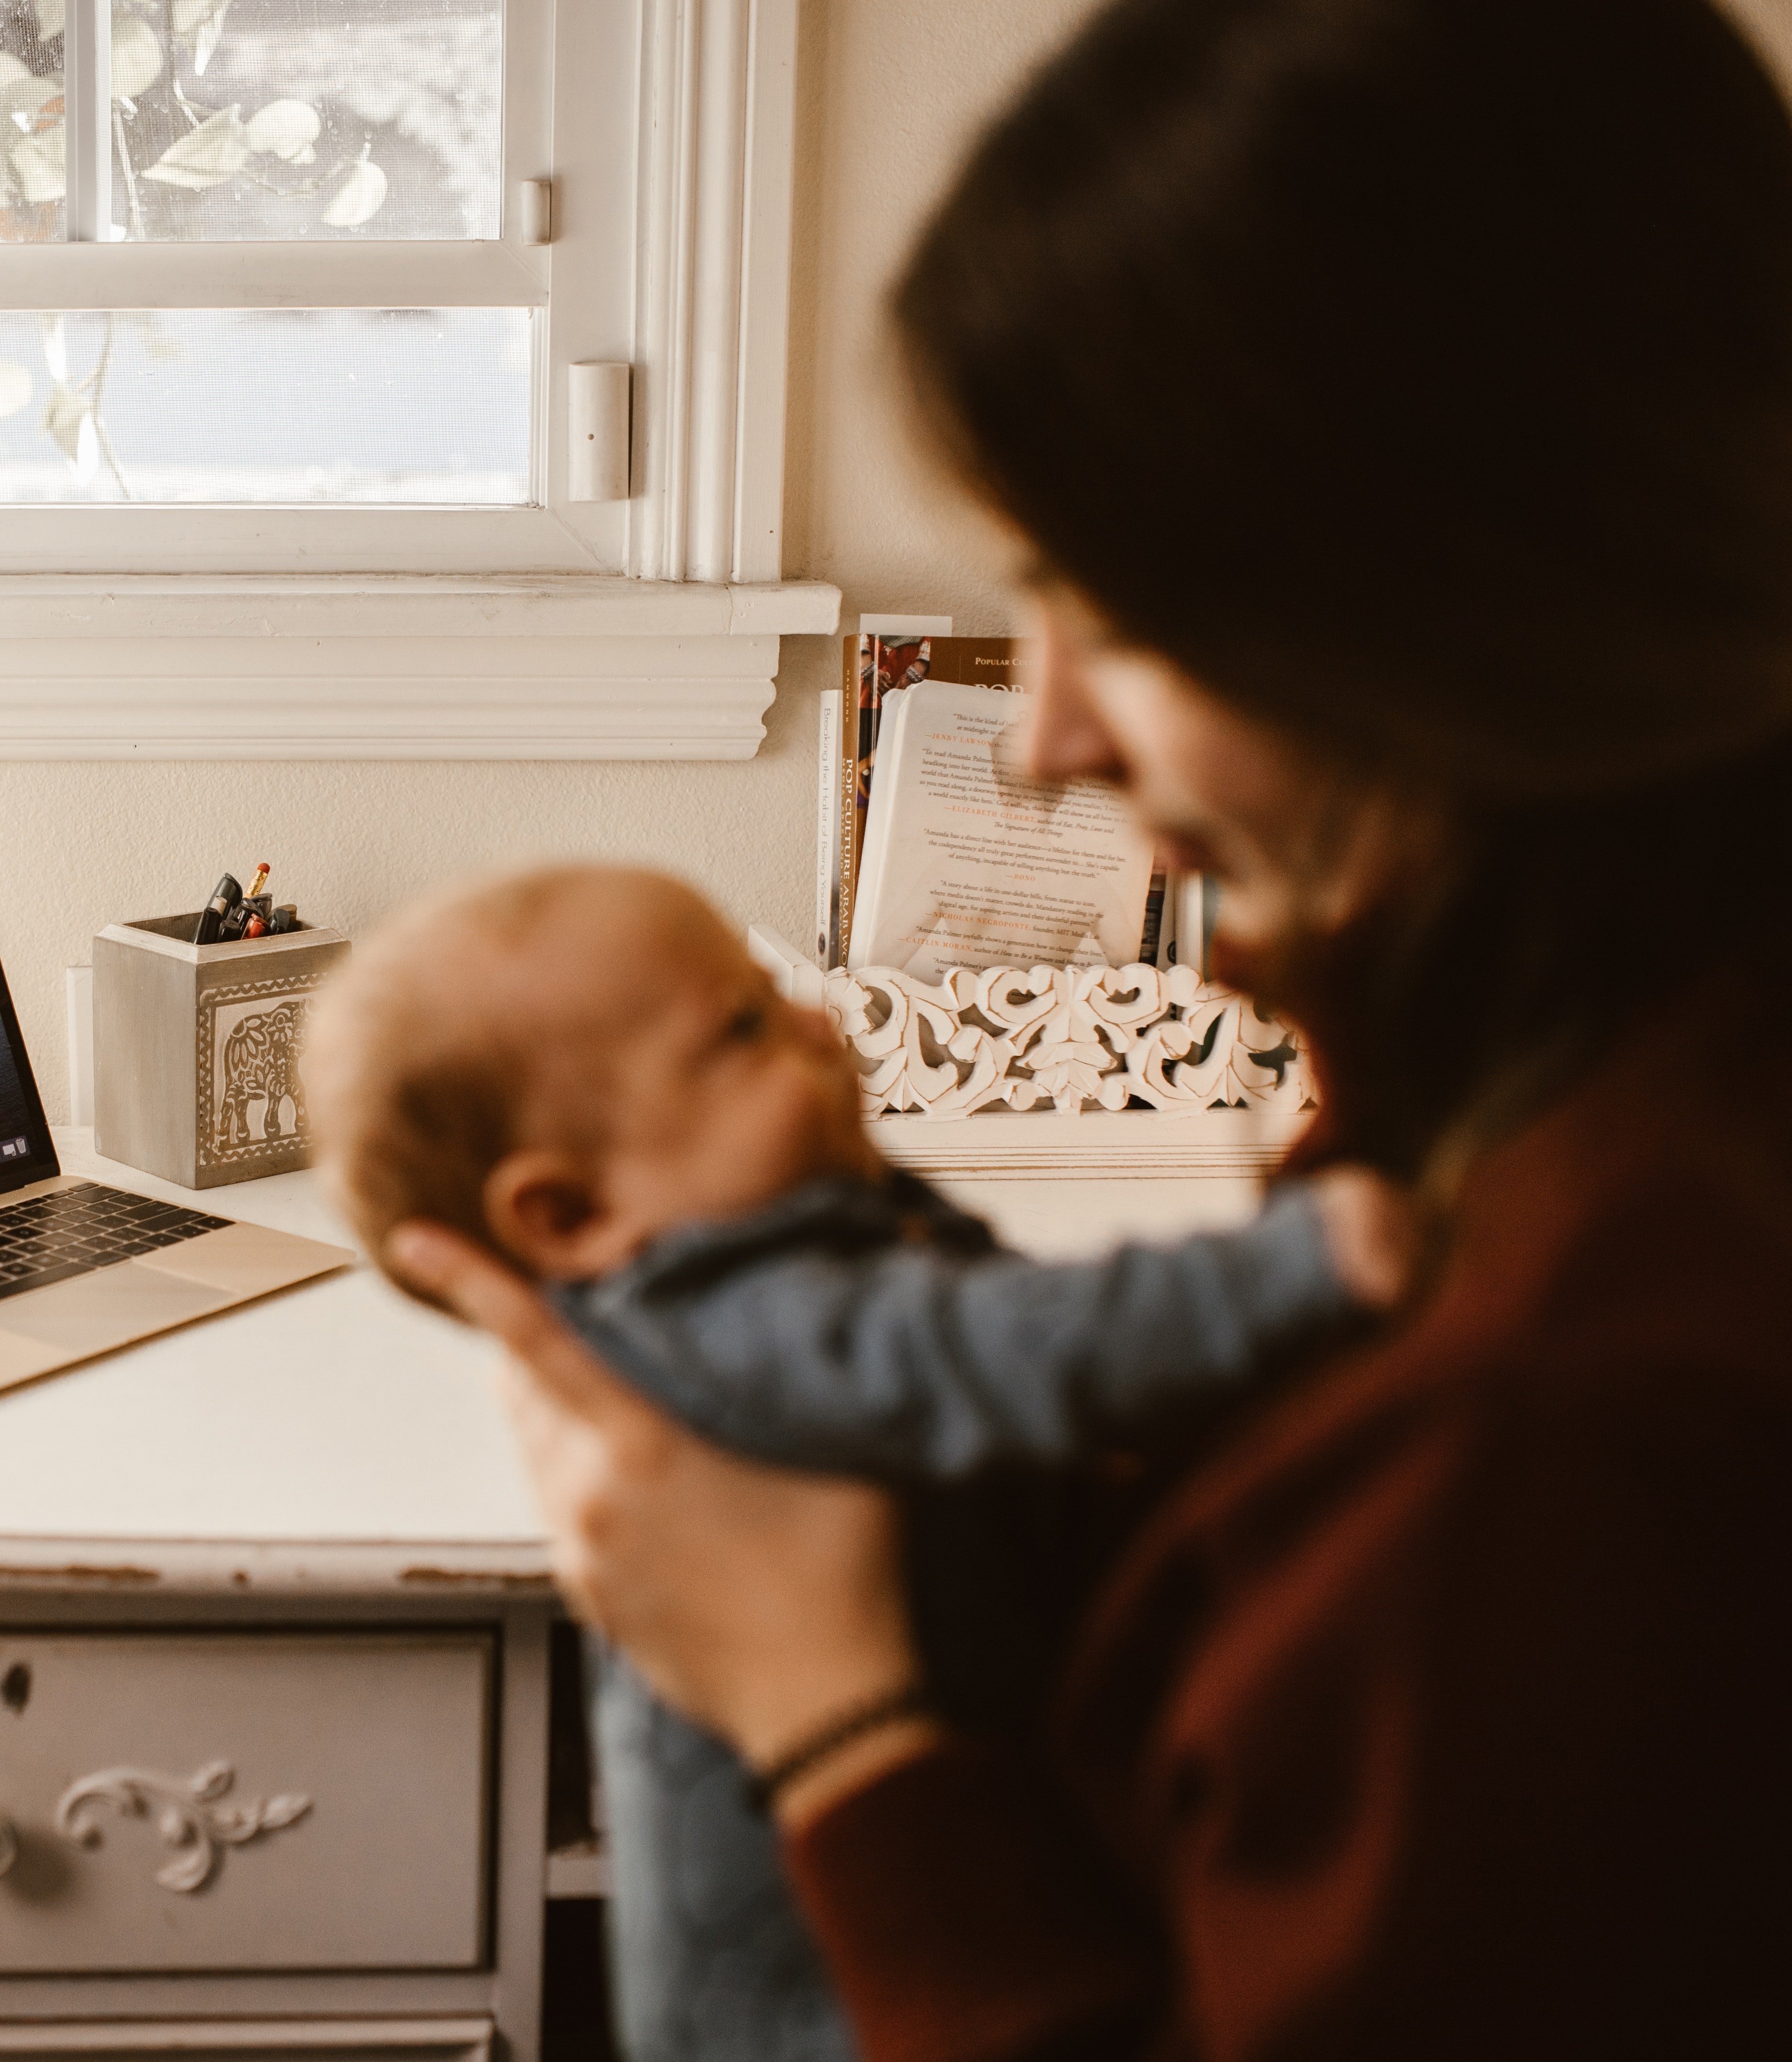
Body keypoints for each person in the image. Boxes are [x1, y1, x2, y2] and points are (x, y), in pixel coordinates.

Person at [385, 0, 1792, 2055]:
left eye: (1107, 615)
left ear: (1462, 594)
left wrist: (824, 1705)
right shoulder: (1559, 1061)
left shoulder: (1577, 1402)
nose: (1034, 741)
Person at [303, 865, 1404, 2062]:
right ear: (570, 1216)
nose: (819, 1025)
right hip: (832, 1994)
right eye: (743, 1029)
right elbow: (1003, 1345)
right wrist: (1303, 1265)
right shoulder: (720, 1314)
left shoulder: (770, 1248)